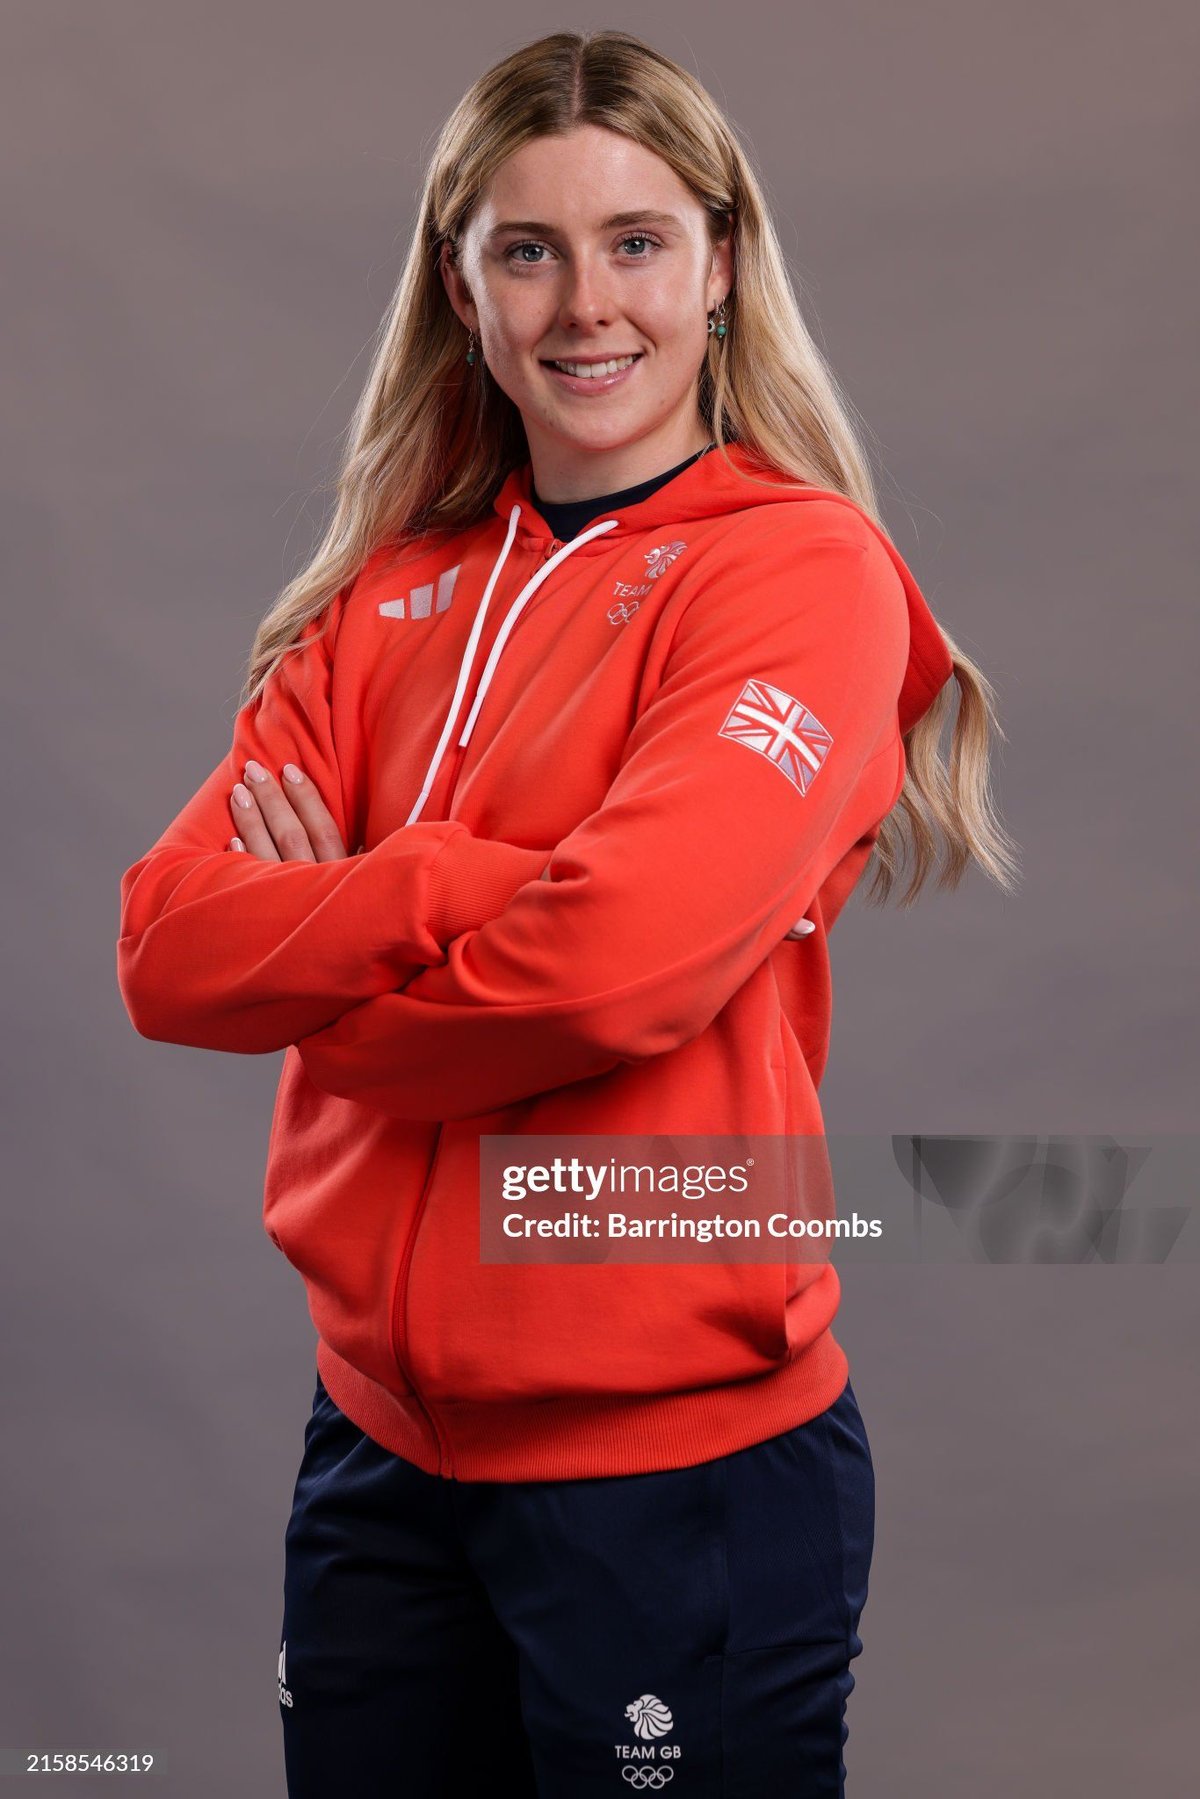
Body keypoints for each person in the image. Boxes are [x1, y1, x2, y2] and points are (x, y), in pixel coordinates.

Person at [116, 28, 1018, 1798]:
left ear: (721, 265)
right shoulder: (388, 594)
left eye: (638, 242)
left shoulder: (798, 572)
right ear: (462, 289)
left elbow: (614, 972)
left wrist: (343, 929)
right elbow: (163, 947)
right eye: (527, 249)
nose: (586, 304)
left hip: (677, 1477)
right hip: (377, 1459)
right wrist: (467, 888)